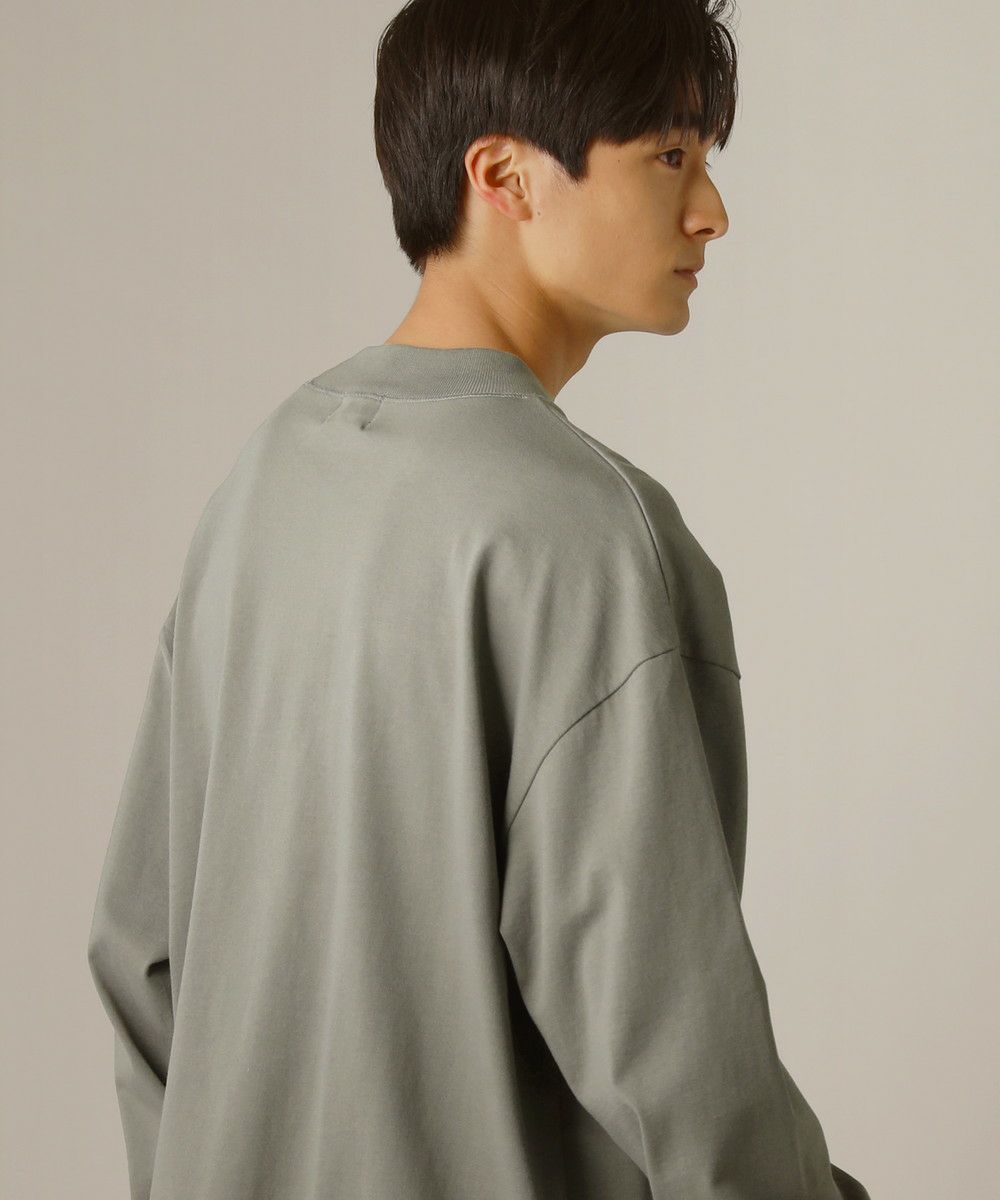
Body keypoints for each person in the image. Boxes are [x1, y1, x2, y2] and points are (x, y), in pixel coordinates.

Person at [86, 0, 873, 1197]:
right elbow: (678, 1063)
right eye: (670, 155)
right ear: (503, 176)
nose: (710, 210)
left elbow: (143, 962)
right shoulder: (589, 536)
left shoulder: (263, 484)